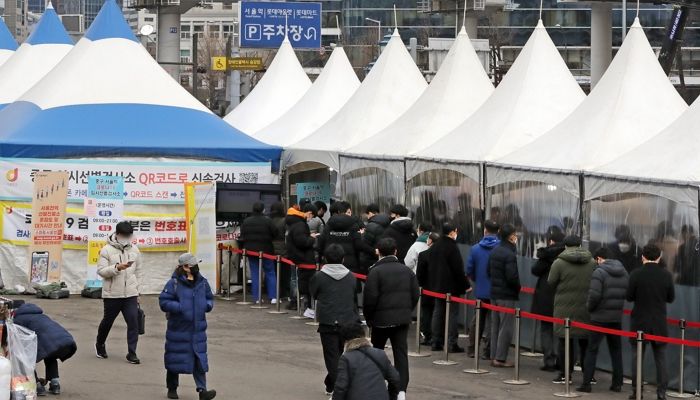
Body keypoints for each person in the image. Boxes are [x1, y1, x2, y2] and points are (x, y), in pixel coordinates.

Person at [364, 238, 419, 397]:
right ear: (396, 251)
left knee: (377, 352)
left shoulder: (374, 271)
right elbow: (415, 294)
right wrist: (406, 310)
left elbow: (370, 299)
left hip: (380, 320)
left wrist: (369, 318)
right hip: (402, 320)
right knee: (401, 355)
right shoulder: (406, 271)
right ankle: (400, 390)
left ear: (378, 252)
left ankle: (376, 386)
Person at [159, 253, 216, 400]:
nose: (195, 267)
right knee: (174, 359)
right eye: (192, 265)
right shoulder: (173, 283)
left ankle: (202, 390)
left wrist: (207, 306)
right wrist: (180, 307)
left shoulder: (202, 282)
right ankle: (172, 388)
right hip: (179, 328)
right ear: (184, 267)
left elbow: (209, 298)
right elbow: (164, 302)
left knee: (199, 360)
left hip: (198, 329)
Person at [309, 244, 360, 396]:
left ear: (325, 258)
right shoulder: (351, 276)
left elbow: (314, 293)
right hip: (347, 319)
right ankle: (330, 383)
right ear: (343, 259)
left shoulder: (319, 276)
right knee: (341, 354)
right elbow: (354, 295)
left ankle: (340, 388)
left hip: (327, 320)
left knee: (331, 356)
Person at [576, 247, 628, 393]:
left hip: (599, 318)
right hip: (615, 318)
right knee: (616, 351)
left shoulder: (599, 272)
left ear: (599, 258)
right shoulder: (623, 271)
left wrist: (589, 308)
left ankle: (586, 384)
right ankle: (617, 383)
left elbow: (594, 296)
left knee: (591, 350)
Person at [627, 244, 675, 400]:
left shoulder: (636, 274)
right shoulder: (666, 275)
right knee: (660, 358)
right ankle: (661, 393)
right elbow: (671, 298)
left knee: (637, 358)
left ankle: (637, 391)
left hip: (639, 322)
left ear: (642, 257)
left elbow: (629, 297)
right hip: (659, 322)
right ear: (659, 257)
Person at [548, 235, 595, 384]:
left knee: (565, 342)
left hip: (564, 308)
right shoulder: (592, 262)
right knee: (585, 343)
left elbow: (551, 282)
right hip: (586, 307)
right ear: (581, 245)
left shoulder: (559, 263)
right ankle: (589, 376)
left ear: (565, 246)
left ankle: (565, 375)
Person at [95, 221, 143, 364]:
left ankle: (132, 353)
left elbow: (139, 272)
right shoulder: (106, 250)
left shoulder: (135, 250)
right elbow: (101, 271)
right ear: (117, 234)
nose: (127, 238)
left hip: (130, 294)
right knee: (108, 322)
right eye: (124, 235)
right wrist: (116, 268)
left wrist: (137, 291)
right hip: (112, 294)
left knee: (133, 321)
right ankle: (100, 344)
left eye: (129, 235)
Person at [13, 302, 77, 396]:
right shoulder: (42, 316)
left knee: (25, 359)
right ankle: (55, 384)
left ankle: (37, 385)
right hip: (66, 341)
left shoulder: (19, 319)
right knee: (51, 356)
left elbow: (20, 337)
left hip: (51, 342)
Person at [427, 223, 469, 353]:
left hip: (437, 286)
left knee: (438, 312)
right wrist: (466, 285)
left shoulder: (435, 246)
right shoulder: (452, 247)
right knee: (452, 314)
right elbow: (458, 269)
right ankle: (451, 343)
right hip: (451, 287)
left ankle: (436, 341)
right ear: (452, 232)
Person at [333, 322, 400, 400]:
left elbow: (341, 387)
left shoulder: (346, 358)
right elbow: (395, 378)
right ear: (363, 336)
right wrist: (391, 397)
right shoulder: (380, 353)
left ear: (345, 341)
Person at [531, 225, 566, 371]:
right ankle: (561, 360)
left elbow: (535, 270)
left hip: (545, 297)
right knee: (562, 331)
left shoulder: (546, 256)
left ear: (551, 240)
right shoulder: (566, 254)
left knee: (546, 329)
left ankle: (549, 360)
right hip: (561, 296)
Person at [466, 220, 500, 359]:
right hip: (497, 290)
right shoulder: (501, 248)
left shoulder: (475, 249)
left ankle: (472, 349)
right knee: (493, 321)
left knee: (478, 320)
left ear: (485, 230)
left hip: (481, 289)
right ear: (498, 231)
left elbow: (469, 270)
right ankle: (489, 351)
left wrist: (477, 280)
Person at [488, 223, 520, 367]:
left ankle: (493, 355)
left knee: (495, 326)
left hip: (494, 293)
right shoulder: (509, 254)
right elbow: (512, 277)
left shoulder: (495, 250)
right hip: (506, 295)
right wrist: (517, 288)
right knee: (506, 327)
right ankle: (500, 358)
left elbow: (488, 271)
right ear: (511, 236)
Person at [317, 202, 374, 276]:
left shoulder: (329, 224)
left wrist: (319, 261)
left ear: (338, 212)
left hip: (330, 266)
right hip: (350, 267)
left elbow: (320, 244)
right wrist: (373, 251)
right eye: (349, 212)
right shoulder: (354, 224)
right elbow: (358, 245)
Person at [240, 202, 279, 304]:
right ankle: (273, 297)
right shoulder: (268, 221)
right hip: (267, 250)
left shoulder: (246, 221)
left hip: (251, 251)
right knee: (270, 272)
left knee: (255, 273)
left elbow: (242, 235)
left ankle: (257, 297)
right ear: (263, 210)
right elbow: (275, 233)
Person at [285, 203, 319, 313]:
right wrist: (311, 238)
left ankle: (305, 306)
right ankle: (308, 308)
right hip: (304, 258)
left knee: (302, 282)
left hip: (299, 258)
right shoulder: (300, 225)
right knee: (307, 284)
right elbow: (302, 242)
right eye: (312, 216)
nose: (311, 219)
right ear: (309, 213)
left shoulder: (295, 223)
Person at [416, 232, 440, 345]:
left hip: (426, 288)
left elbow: (419, 274)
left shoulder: (423, 255)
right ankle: (438, 336)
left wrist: (420, 284)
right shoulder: (443, 255)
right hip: (439, 289)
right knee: (439, 313)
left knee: (426, 313)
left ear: (430, 241)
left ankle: (427, 336)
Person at [360, 204, 391, 271]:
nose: (367, 217)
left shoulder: (371, 225)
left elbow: (364, 245)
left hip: (371, 262)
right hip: (385, 261)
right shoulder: (388, 223)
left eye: (367, 215)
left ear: (370, 213)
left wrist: (362, 235)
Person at [270, 202, 289, 300]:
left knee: (273, 272)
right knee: (284, 272)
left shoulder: (269, 220)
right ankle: (284, 293)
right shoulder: (285, 221)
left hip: (271, 248)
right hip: (283, 248)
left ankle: (274, 293)